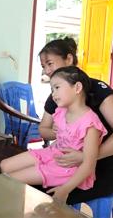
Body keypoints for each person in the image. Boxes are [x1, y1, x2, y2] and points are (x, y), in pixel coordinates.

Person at [0, 66, 107, 202]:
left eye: (57, 88)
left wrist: (65, 189)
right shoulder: (61, 111)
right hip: (53, 152)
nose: (53, 94)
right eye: (51, 89)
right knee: (4, 165)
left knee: (12, 179)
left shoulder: (90, 123)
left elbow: (88, 165)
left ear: (77, 88)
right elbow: (52, 133)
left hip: (68, 167)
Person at [37, 37, 113, 204]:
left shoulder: (98, 90)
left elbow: (87, 160)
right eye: (43, 67)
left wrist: (87, 157)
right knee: (31, 185)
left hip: (102, 167)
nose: (46, 71)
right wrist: (59, 133)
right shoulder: (55, 97)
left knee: (44, 195)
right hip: (66, 162)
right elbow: (44, 128)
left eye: (50, 64)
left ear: (69, 59)